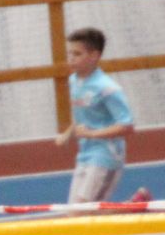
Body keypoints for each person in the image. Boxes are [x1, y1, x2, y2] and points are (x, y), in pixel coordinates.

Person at [53, 27, 149, 206]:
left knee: (83, 212)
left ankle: (135, 206)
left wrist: (90, 134)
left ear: (94, 56)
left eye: (77, 54)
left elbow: (127, 126)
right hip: (84, 154)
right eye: (69, 53)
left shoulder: (107, 88)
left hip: (106, 156)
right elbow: (81, 118)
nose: (71, 58)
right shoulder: (74, 81)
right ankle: (133, 205)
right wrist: (67, 134)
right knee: (74, 214)